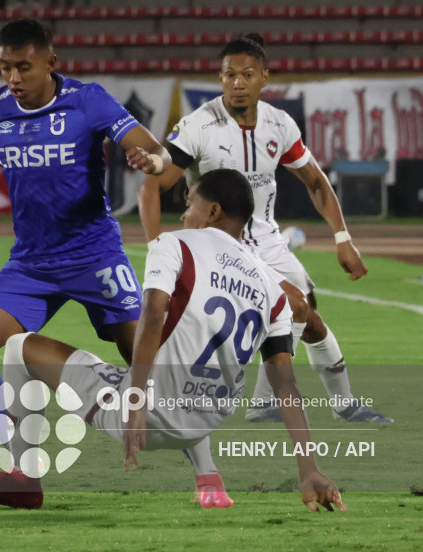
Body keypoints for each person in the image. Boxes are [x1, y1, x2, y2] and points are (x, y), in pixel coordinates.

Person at [0, 169, 348, 513]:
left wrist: (137, 400)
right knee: (174, 354)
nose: (183, 213)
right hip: (207, 419)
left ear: (212, 212)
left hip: (151, 416)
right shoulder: (271, 287)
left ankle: (23, 479)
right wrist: (309, 469)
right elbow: (286, 385)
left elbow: (155, 312)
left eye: (190, 203)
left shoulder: (174, 243)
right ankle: (207, 475)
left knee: (20, 347)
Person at [0, 16, 170, 483]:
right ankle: (22, 461)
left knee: (153, 366)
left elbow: (151, 148)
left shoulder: (88, 100)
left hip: (95, 256)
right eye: (5, 67)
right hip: (32, 265)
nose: (14, 78)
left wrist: (153, 160)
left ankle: (203, 464)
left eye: (24, 67)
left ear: (51, 62)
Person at [138, 34, 392, 424]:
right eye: (229, 75)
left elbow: (316, 182)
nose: (237, 83)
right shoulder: (199, 125)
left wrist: (344, 239)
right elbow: (152, 185)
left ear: (264, 78)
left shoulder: (279, 124)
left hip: (269, 241)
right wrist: (157, 246)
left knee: (307, 315)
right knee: (292, 308)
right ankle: (257, 404)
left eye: (247, 75)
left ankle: (323, 405)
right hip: (221, 242)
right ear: (220, 79)